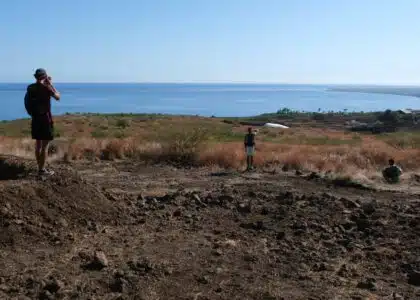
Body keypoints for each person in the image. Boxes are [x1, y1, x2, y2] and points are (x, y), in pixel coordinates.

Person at [25, 68, 61, 176]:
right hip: (46, 119)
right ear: (45, 77)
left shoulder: (30, 88)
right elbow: (58, 97)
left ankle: (39, 167)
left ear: (35, 77)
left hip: (35, 118)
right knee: (45, 146)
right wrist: (51, 84)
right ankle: (42, 170)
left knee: (38, 144)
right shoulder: (46, 88)